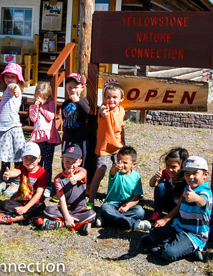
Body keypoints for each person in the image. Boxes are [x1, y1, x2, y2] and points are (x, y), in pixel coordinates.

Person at [141, 156, 212, 262]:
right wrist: (165, 219)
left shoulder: (205, 191)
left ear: (205, 175)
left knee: (169, 253)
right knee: (154, 233)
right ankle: (180, 248)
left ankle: (158, 249)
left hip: (194, 235)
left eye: (195, 173)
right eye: (187, 173)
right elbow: (179, 207)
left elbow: (203, 201)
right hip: (179, 227)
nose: (190, 176)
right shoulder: (187, 188)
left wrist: (196, 198)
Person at [0, 63, 25, 197]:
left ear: (18, 79)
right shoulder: (6, 90)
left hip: (12, 127)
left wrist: (14, 88)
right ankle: (4, 179)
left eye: (13, 76)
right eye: (7, 76)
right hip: (3, 127)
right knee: (5, 156)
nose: (9, 79)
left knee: (16, 155)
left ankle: (16, 180)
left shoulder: (13, 88)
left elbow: (13, 87)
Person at [88, 80, 126, 209]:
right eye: (108, 97)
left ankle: (119, 198)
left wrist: (124, 145)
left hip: (118, 147)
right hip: (104, 148)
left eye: (115, 97)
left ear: (121, 99)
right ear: (104, 98)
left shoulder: (122, 111)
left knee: (121, 173)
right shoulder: (103, 109)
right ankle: (91, 200)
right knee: (99, 172)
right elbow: (103, 113)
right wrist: (104, 111)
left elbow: (121, 129)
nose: (111, 100)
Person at [42, 144, 96, 234]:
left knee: (92, 213)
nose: (70, 165)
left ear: (79, 162)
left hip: (79, 208)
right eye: (67, 161)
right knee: (48, 210)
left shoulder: (82, 171)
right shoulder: (58, 179)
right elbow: (61, 199)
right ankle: (77, 224)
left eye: (73, 162)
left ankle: (60, 223)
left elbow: (82, 175)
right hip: (64, 208)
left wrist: (75, 178)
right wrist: (67, 216)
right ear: (63, 160)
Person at [0, 142, 47, 225]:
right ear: (22, 158)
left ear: (39, 159)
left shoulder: (42, 172)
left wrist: (25, 208)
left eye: (33, 158)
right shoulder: (22, 167)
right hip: (20, 201)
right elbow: (16, 172)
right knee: (4, 204)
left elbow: (38, 194)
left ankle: (13, 219)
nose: (29, 161)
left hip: (34, 203)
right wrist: (9, 174)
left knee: (41, 207)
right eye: (26, 158)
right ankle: (31, 218)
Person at [97, 146, 151, 231]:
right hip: (112, 204)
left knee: (140, 212)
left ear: (133, 164)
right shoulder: (116, 172)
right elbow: (113, 171)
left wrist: (127, 206)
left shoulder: (136, 177)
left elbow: (137, 197)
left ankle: (107, 220)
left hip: (127, 206)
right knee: (105, 208)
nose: (121, 165)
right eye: (119, 161)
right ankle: (134, 223)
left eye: (125, 163)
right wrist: (114, 168)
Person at [28, 82, 61, 198]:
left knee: (48, 162)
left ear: (48, 97)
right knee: (38, 162)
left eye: (44, 97)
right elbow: (33, 118)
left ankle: (47, 185)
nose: (41, 99)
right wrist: (36, 107)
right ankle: (37, 183)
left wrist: (42, 107)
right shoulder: (33, 106)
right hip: (38, 138)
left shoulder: (51, 104)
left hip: (49, 137)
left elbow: (51, 116)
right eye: (39, 96)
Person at [148, 147, 189, 222]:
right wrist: (155, 177)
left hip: (180, 209)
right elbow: (152, 184)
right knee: (161, 185)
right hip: (169, 204)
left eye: (174, 167)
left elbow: (180, 205)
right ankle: (157, 213)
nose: (170, 169)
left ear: (182, 166)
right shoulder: (166, 173)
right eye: (167, 165)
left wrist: (165, 219)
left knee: (174, 222)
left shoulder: (186, 181)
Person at [61, 73, 90, 164]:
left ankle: (81, 177)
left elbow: (87, 111)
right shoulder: (65, 104)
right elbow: (63, 117)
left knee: (81, 161)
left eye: (76, 87)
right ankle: (66, 177)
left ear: (82, 88)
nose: (72, 90)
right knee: (66, 160)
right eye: (69, 87)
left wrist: (78, 101)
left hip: (80, 138)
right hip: (67, 138)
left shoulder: (84, 101)